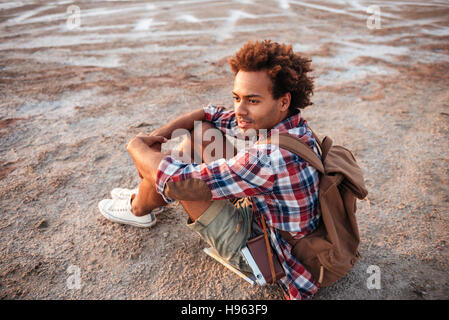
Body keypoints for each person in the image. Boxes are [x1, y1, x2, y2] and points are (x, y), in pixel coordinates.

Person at [98, 40, 321, 300]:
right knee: (202, 133)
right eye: (237, 97)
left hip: (271, 257)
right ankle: (143, 199)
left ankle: (138, 208)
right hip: (270, 216)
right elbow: (209, 115)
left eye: (252, 100)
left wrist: (137, 146)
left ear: (283, 101)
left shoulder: (268, 158)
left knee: (181, 180)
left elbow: (175, 179)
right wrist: (157, 137)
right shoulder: (294, 126)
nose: (240, 109)